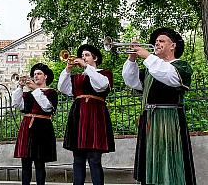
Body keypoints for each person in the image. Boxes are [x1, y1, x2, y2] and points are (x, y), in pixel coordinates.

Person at [122, 27, 196, 185]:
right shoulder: (152, 69)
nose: (157, 43)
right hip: (150, 122)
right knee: (149, 163)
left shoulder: (181, 66)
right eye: (155, 42)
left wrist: (148, 56)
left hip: (169, 121)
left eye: (161, 41)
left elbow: (170, 76)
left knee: (169, 161)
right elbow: (131, 80)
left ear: (173, 46)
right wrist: (132, 58)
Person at [58, 44, 115, 185]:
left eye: (87, 55)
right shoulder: (77, 77)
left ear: (95, 57)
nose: (83, 57)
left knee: (94, 159)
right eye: (82, 55)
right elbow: (62, 88)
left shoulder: (105, 73)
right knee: (78, 159)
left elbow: (100, 85)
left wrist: (86, 67)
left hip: (96, 115)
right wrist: (68, 69)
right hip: (78, 117)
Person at [12, 63, 58, 185]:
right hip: (26, 127)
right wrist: (20, 87)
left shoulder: (51, 92)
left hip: (42, 128)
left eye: (39, 74)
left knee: (39, 163)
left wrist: (36, 90)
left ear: (46, 76)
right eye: (34, 74)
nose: (35, 76)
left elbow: (47, 107)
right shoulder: (28, 94)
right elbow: (17, 104)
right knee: (25, 163)